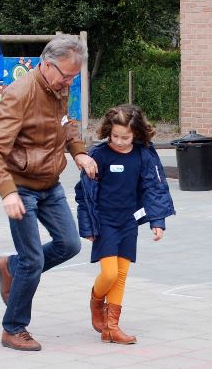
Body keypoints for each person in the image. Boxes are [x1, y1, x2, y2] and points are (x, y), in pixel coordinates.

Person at [0, 35, 97, 352]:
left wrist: (78, 152)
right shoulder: (19, 95)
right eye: (66, 75)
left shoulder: (59, 86)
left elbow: (65, 123)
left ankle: (10, 267)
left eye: (74, 76)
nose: (69, 82)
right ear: (46, 65)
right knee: (33, 260)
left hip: (49, 182)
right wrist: (7, 193)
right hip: (20, 186)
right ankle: (13, 328)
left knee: (69, 244)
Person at [74, 105, 175, 345]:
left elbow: (154, 188)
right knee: (109, 273)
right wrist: (87, 226)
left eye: (125, 137)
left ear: (137, 134)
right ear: (109, 131)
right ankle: (96, 302)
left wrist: (156, 220)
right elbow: (84, 192)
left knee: (121, 275)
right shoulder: (99, 155)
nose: (119, 141)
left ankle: (112, 327)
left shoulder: (144, 155)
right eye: (115, 136)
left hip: (128, 222)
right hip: (104, 222)